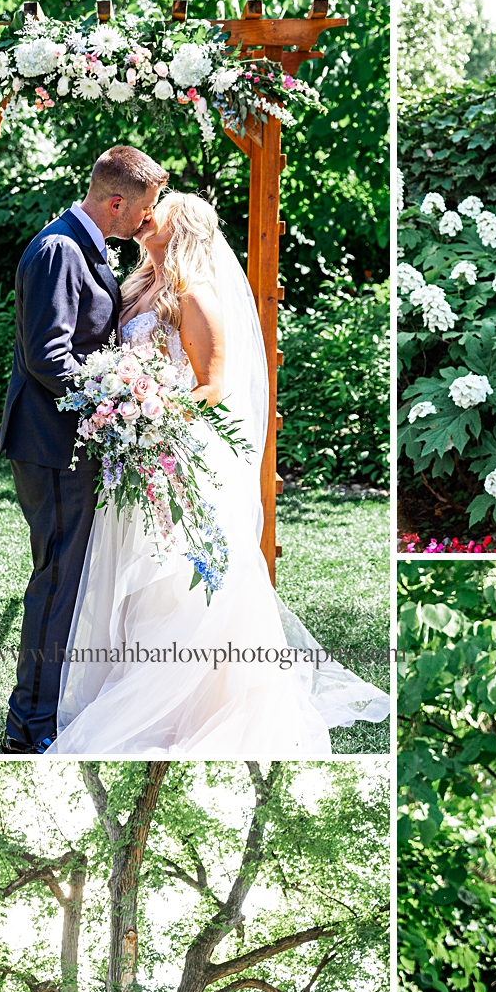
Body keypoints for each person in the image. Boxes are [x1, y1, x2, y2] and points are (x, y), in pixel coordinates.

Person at [46, 189, 391, 755]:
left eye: (162, 212)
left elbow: (211, 386)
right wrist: (125, 407)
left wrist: (152, 417)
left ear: (181, 231)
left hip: (174, 454)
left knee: (180, 583)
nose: (147, 214)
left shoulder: (196, 295)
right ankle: (137, 680)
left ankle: (190, 700)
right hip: (136, 455)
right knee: (137, 579)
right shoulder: (136, 287)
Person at [0, 146, 166, 752]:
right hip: (52, 444)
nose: (146, 221)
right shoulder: (58, 249)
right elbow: (47, 356)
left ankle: (49, 710)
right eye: (142, 210)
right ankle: (29, 727)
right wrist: (116, 402)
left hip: (70, 439)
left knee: (66, 576)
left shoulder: (81, 243)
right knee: (57, 580)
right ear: (115, 202)